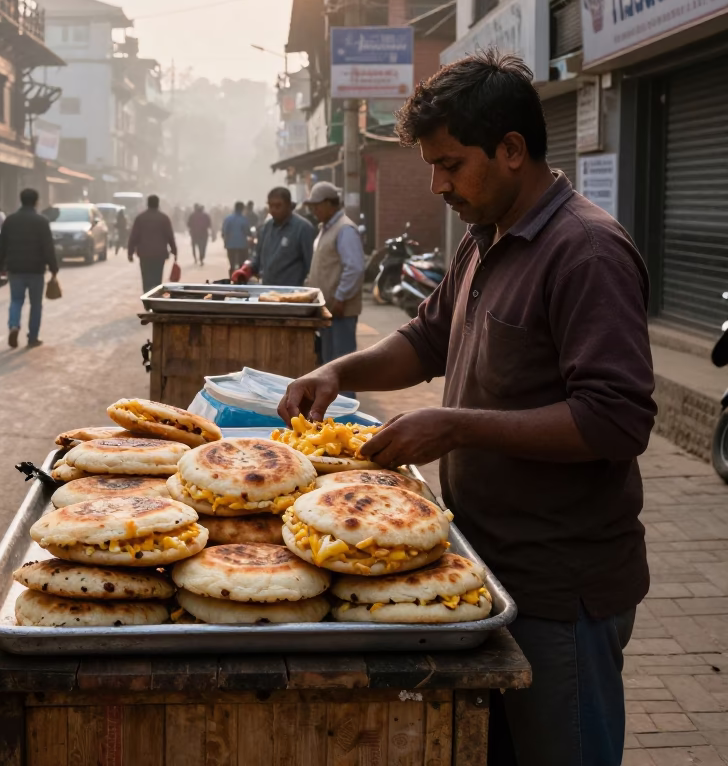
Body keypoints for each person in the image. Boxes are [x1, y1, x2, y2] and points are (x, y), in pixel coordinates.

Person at [279, 51, 656, 766]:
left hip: (561, 585)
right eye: (431, 166)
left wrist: (453, 426)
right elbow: (426, 339)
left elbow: (616, 419)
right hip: (485, 564)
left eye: (450, 164)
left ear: (512, 150)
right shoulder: (484, 238)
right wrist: (337, 368)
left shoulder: (586, 253)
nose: (437, 184)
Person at [303, 181, 364, 375]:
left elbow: (354, 267)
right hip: (328, 309)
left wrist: (341, 297)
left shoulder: (344, 229)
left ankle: (345, 404)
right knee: (328, 366)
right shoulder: (327, 228)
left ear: (331, 203)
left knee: (341, 368)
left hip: (340, 310)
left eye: (317, 206)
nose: (314, 211)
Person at [0, 188, 58, 349]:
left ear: (21, 200)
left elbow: (1, 245)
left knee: (16, 300)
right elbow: (48, 247)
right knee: (36, 304)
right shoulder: (42, 221)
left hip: (15, 268)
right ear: (36, 202)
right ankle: (33, 337)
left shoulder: (10, 220)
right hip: (36, 269)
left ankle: (14, 325)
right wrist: (53, 267)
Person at [233, 186, 315, 287]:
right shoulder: (266, 227)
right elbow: (257, 257)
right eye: (271, 206)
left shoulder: (303, 228)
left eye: (278, 206)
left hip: (292, 293)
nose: (274, 210)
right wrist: (247, 269)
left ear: (289, 205)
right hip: (267, 290)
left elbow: (311, 266)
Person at [128, 194, 177, 292]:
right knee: (157, 279)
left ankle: (147, 298)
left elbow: (134, 237)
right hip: (159, 254)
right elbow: (170, 237)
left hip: (145, 254)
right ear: (158, 204)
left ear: (147, 204)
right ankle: (154, 299)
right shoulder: (164, 218)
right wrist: (174, 251)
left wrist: (130, 252)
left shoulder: (140, 218)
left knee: (146, 279)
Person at [221, 201, 251, 272]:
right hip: (242, 245)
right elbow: (247, 232)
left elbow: (225, 232)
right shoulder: (244, 219)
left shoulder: (228, 219)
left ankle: (231, 277)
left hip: (230, 245)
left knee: (232, 265)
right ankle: (240, 280)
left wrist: (225, 242)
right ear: (242, 209)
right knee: (242, 265)